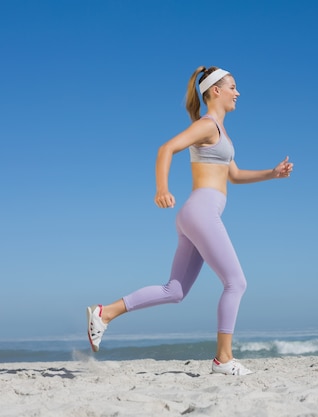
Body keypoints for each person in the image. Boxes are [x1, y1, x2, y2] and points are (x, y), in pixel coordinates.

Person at [87, 66, 293, 376]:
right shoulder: (207, 125)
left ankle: (105, 313)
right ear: (215, 91)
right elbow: (166, 148)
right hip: (201, 212)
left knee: (175, 291)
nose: (238, 93)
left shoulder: (221, 133)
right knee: (236, 283)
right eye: (233, 87)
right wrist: (161, 189)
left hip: (195, 214)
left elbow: (234, 176)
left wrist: (272, 174)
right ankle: (223, 359)